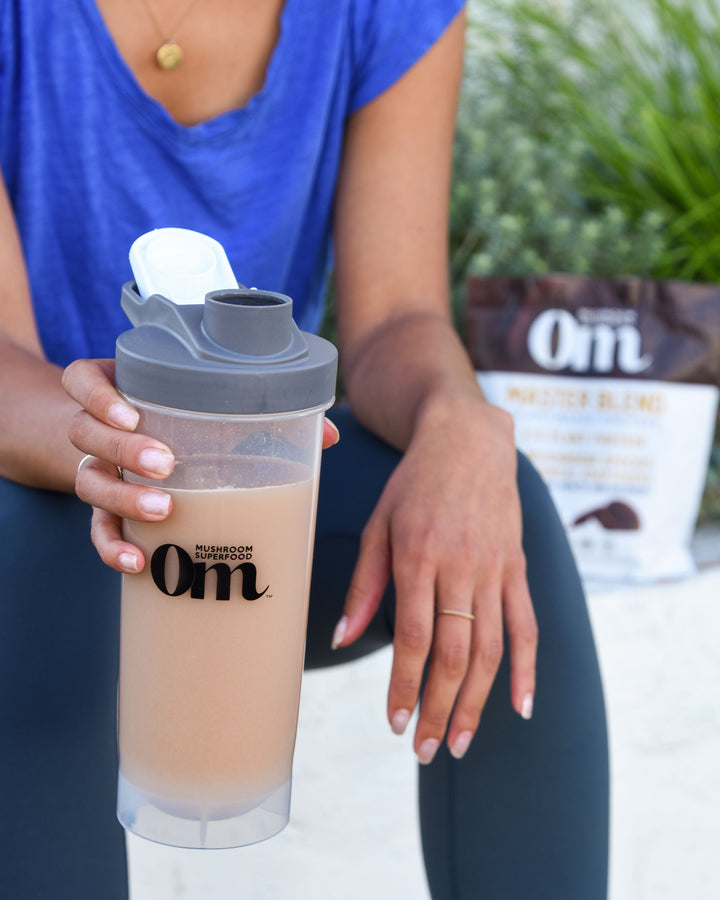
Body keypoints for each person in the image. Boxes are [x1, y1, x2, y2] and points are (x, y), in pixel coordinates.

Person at [0, 0, 609, 897]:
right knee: (30, 545)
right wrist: (122, 447)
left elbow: (395, 319)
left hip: (249, 522)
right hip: (40, 464)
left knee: (488, 501)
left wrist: (459, 418)